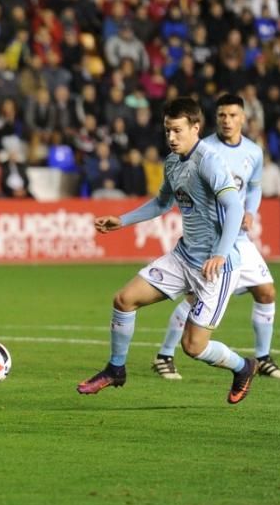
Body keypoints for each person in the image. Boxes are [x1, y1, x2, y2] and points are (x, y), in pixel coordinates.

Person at [78, 97, 258, 405]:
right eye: (167, 131)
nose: (171, 138)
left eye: (177, 131)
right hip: (184, 257)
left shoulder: (210, 161)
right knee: (124, 299)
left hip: (217, 269)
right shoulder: (173, 162)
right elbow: (162, 203)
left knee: (193, 347)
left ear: (195, 128)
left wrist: (220, 253)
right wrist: (122, 221)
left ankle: (244, 367)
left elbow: (234, 205)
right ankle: (116, 368)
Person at [151, 94, 280, 382]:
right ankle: (165, 354)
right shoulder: (203, 149)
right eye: (222, 115)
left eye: (233, 115)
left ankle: (262, 358)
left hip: (237, 238)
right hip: (211, 239)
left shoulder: (253, 151)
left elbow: (253, 188)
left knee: (266, 291)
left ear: (243, 118)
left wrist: (250, 212)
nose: (227, 121)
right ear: (214, 119)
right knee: (193, 297)